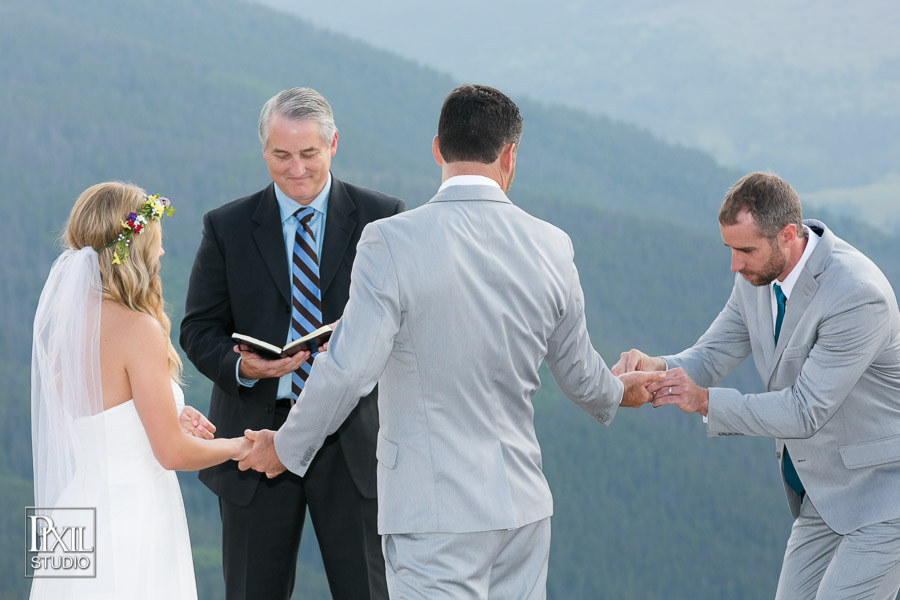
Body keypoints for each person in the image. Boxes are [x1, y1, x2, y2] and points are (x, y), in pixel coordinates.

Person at [239, 84, 656, 599]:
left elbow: (348, 370)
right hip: (523, 510)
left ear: (438, 147)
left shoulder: (391, 240)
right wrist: (623, 391)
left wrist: (284, 447)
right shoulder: (553, 245)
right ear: (510, 155)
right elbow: (581, 376)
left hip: (431, 512)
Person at [612, 172, 900, 599]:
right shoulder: (756, 280)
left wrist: (706, 401)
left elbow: (805, 411)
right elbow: (711, 354)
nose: (735, 264)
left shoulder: (857, 295)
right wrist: (656, 368)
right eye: (730, 249)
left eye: (745, 250)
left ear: (788, 235)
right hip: (822, 493)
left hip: (883, 495)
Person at [179, 87, 404, 599]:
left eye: (309, 154)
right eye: (281, 155)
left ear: (333, 144)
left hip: (352, 438)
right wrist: (243, 369)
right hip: (253, 441)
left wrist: (358, 352)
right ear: (263, 149)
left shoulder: (383, 217)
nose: (295, 168)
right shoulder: (226, 226)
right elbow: (197, 328)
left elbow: (405, 323)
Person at [29, 182, 251, 599]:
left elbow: (101, 414)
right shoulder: (138, 329)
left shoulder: (67, 325)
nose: (162, 252)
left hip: (75, 513)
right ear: (132, 248)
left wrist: (163, 413)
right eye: (156, 242)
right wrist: (239, 447)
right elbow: (172, 453)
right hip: (129, 517)